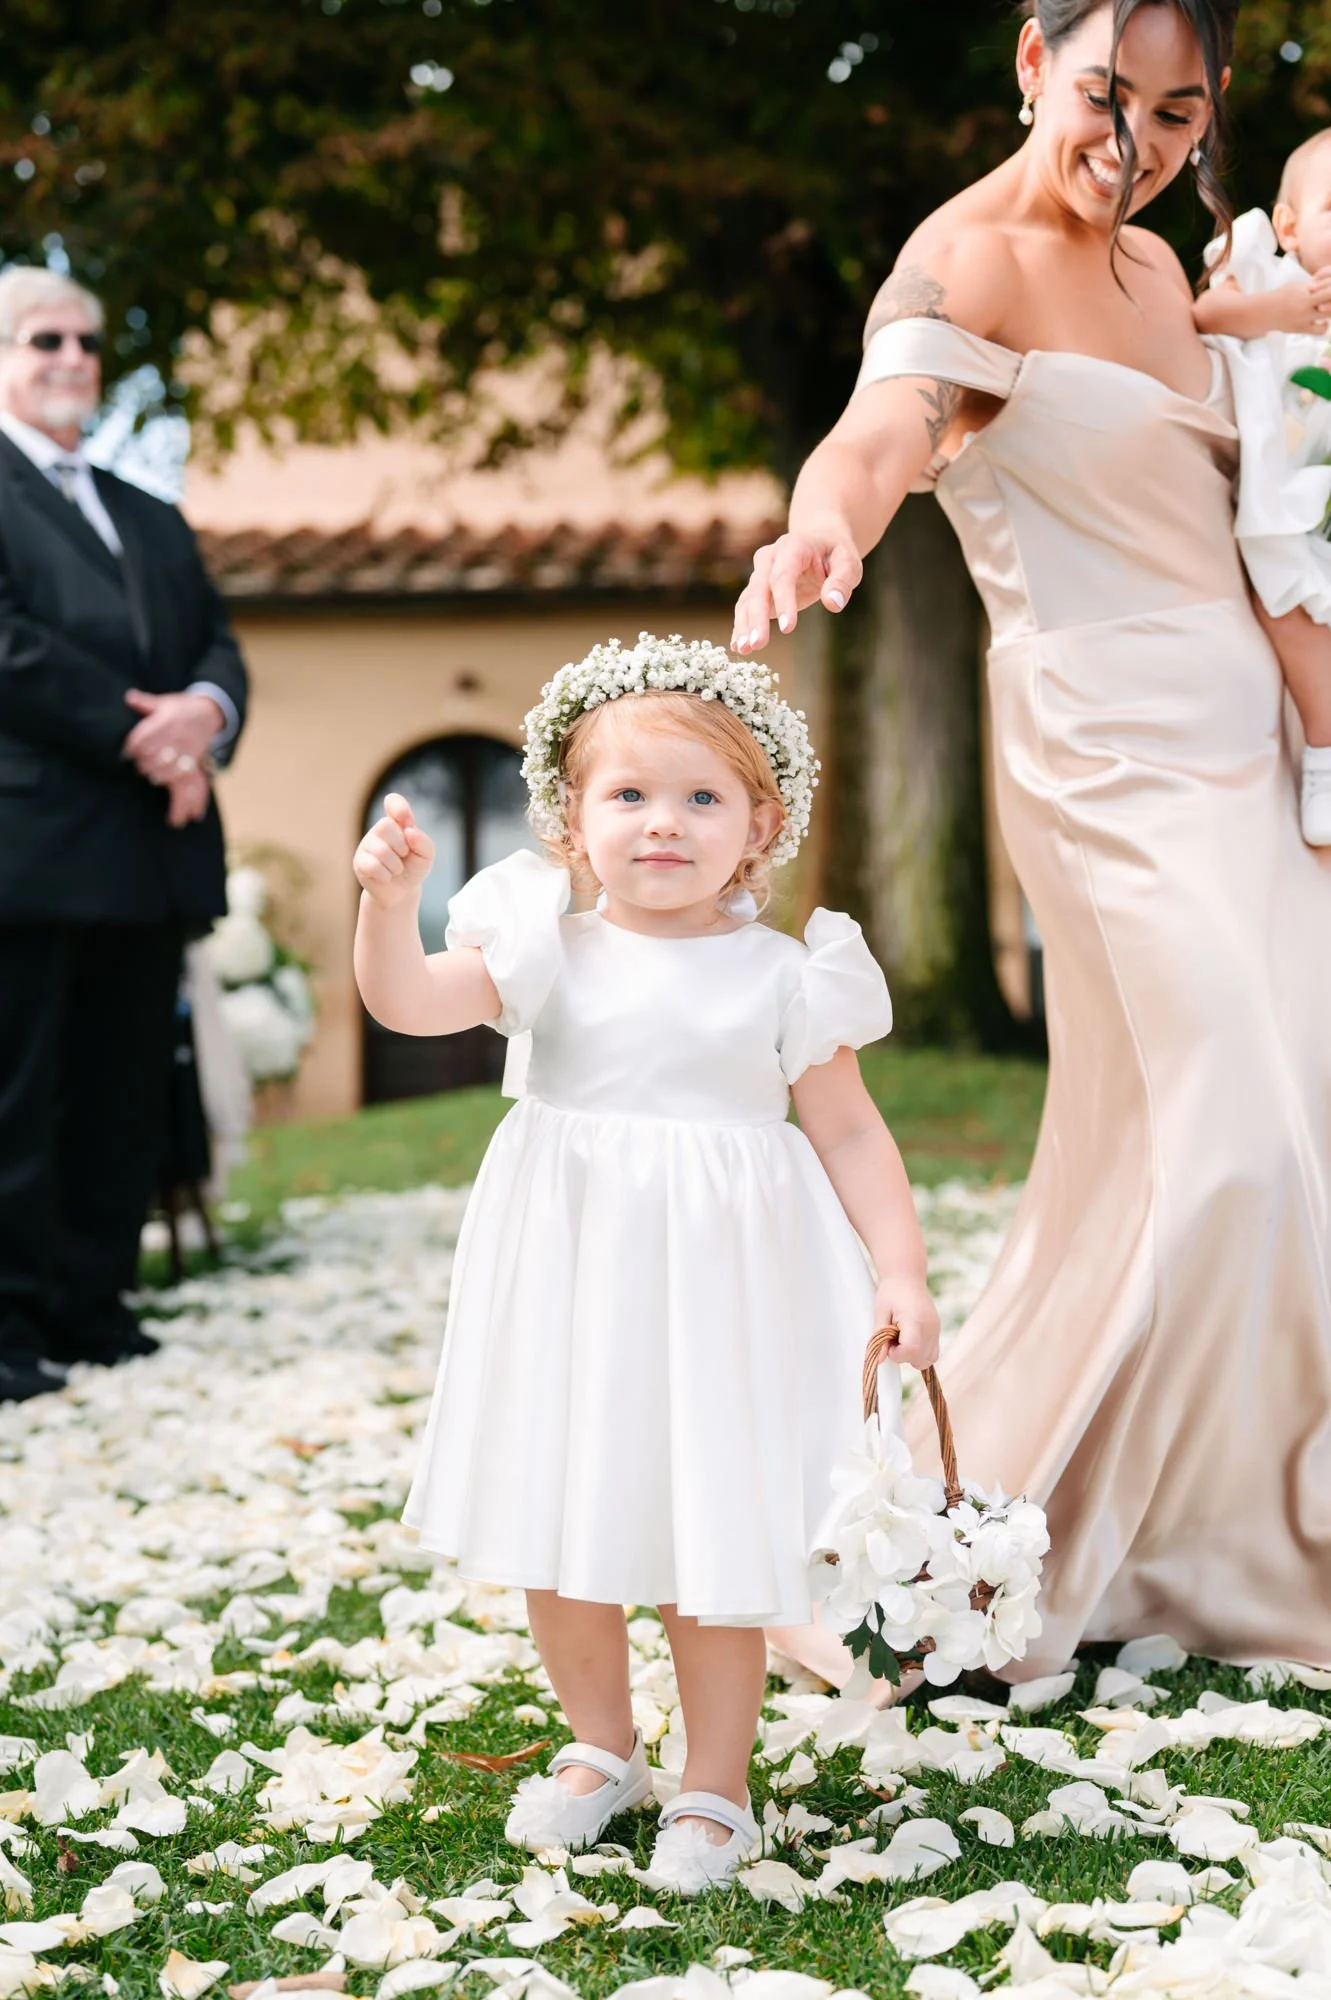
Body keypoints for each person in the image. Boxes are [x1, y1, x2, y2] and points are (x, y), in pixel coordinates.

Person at [733, 0, 1331, 1676]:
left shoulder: (1171, 273)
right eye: (1100, 96)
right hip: (1103, 753)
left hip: (1248, 741)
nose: (1128, 142)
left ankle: (1216, 1537)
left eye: (1174, 110)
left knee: (1279, 1126)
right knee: (1233, 1146)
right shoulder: (965, 262)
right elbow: (884, 433)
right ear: (1025, 66)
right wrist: (817, 532)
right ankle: (1008, 1542)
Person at [352, 633, 939, 1891]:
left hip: (721, 1285)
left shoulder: (784, 973)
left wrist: (900, 1269)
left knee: (705, 1523)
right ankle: (599, 1746)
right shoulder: (540, 946)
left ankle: (716, 1783)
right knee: (566, 1513)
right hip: (571, 1270)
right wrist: (387, 904)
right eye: (626, 795)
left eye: (698, 798)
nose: (659, 824)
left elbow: (843, 1125)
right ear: (572, 815)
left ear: (757, 822)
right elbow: (404, 1001)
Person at [0, 268, 248, 1402]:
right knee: (20, 1091)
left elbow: (215, 642)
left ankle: (92, 1305)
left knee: (123, 1088)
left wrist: (204, 714)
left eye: (87, 340)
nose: (71, 357)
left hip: (153, 851)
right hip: (32, 846)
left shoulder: (146, 508)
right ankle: (7, 1324)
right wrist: (142, 735)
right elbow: (13, 648)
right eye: (44, 337)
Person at [1194, 130, 1331, 843]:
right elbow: (1205, 316)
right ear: (1289, 227)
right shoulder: (1268, 276)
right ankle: (1325, 750)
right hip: (1285, 504)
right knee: (1287, 609)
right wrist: (1278, 314)